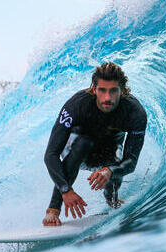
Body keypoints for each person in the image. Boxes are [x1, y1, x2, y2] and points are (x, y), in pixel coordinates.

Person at [43, 62, 147, 226]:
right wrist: (66, 190)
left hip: (108, 152)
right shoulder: (77, 105)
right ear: (93, 89)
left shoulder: (135, 112)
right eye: (102, 90)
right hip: (78, 151)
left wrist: (110, 171)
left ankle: (112, 200)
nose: (107, 98)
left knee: (115, 164)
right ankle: (53, 210)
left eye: (113, 91)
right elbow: (51, 154)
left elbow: (131, 161)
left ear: (122, 90)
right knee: (84, 143)